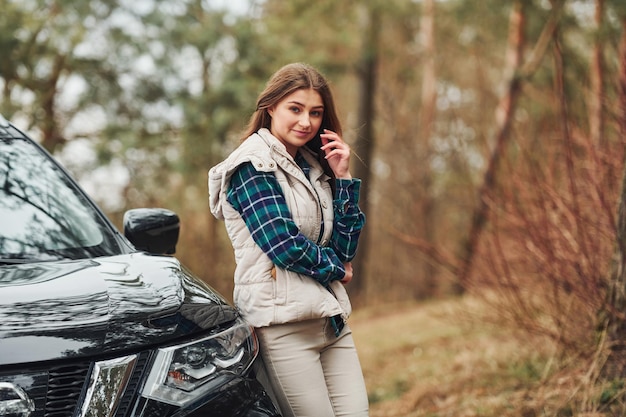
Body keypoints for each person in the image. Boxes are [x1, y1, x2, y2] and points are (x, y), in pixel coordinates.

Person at [208, 62, 369, 417]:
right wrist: (336, 270)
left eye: (315, 112)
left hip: (331, 323)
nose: (306, 122)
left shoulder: (314, 167)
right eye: (295, 109)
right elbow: (284, 245)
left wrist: (342, 178)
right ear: (271, 107)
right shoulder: (251, 166)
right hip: (284, 328)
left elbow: (344, 248)